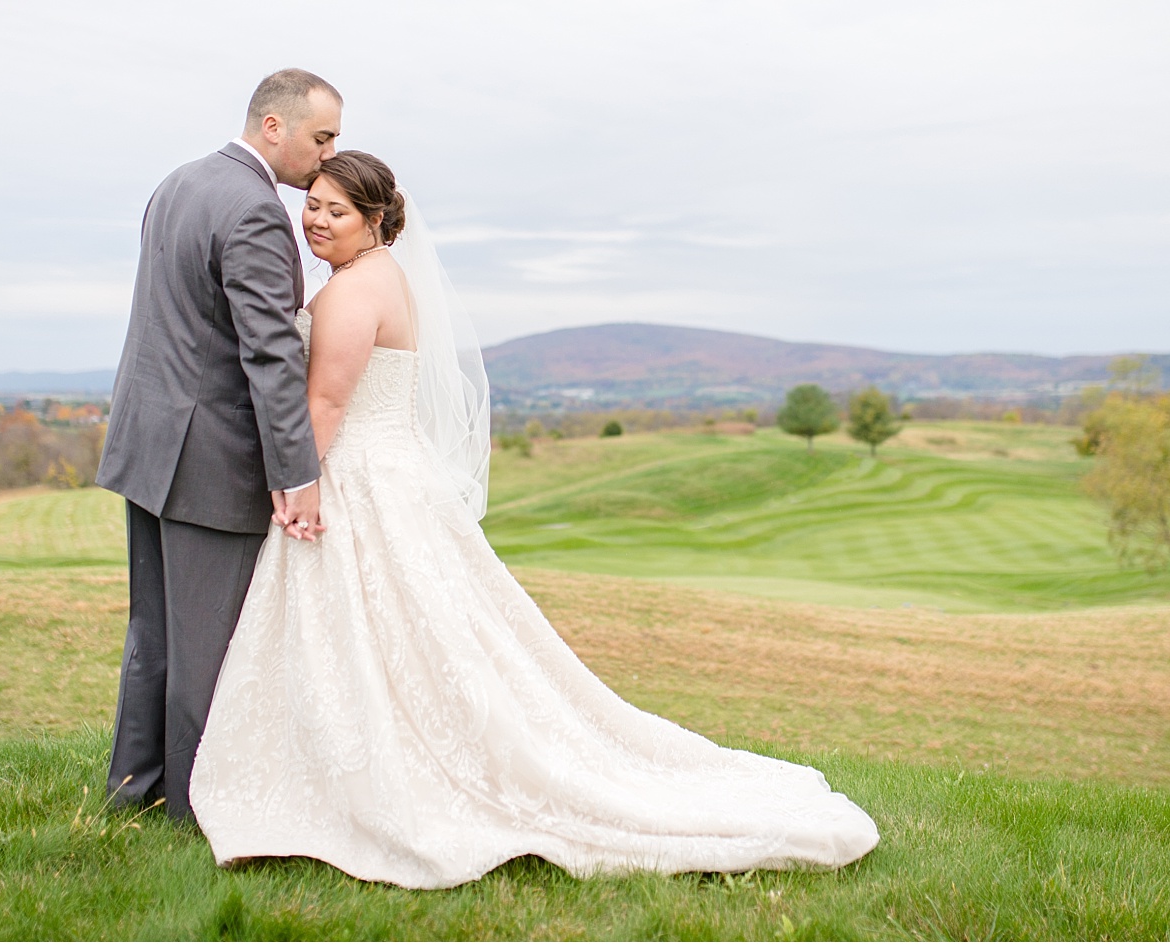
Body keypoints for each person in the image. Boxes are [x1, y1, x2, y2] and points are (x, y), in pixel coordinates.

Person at [189, 150, 879, 888]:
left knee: (379, 632)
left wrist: (298, 485)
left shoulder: (355, 291)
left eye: (336, 211)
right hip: (390, 470)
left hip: (357, 475)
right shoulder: (378, 277)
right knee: (397, 635)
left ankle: (373, 781)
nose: (316, 220)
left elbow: (325, 403)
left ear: (377, 221)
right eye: (314, 205)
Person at [94, 68, 341, 822]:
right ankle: (198, 810)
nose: (328, 155)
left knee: (155, 632)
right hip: (209, 458)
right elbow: (268, 354)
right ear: (274, 126)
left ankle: (135, 789)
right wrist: (296, 472)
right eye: (321, 136)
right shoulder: (256, 210)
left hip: (148, 444)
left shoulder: (178, 183)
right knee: (208, 646)